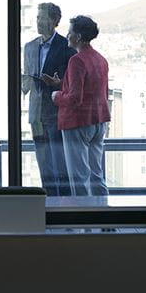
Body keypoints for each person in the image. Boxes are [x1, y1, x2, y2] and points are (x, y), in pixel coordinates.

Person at [51, 16, 110, 196]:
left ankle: (84, 223)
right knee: (96, 175)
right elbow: (96, 90)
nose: (67, 35)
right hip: (98, 121)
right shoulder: (100, 59)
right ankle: (106, 220)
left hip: (78, 123)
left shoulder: (77, 60)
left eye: (70, 31)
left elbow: (75, 98)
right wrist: (62, 83)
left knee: (79, 177)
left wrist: (57, 96)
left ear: (77, 36)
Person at [22, 3, 76, 196]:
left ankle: (64, 209)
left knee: (60, 166)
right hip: (36, 114)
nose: (38, 21)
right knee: (44, 166)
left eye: (42, 17)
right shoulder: (29, 47)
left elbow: (72, 83)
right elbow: (25, 83)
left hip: (55, 113)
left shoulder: (66, 47)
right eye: (37, 17)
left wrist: (56, 83)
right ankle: (48, 206)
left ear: (54, 21)